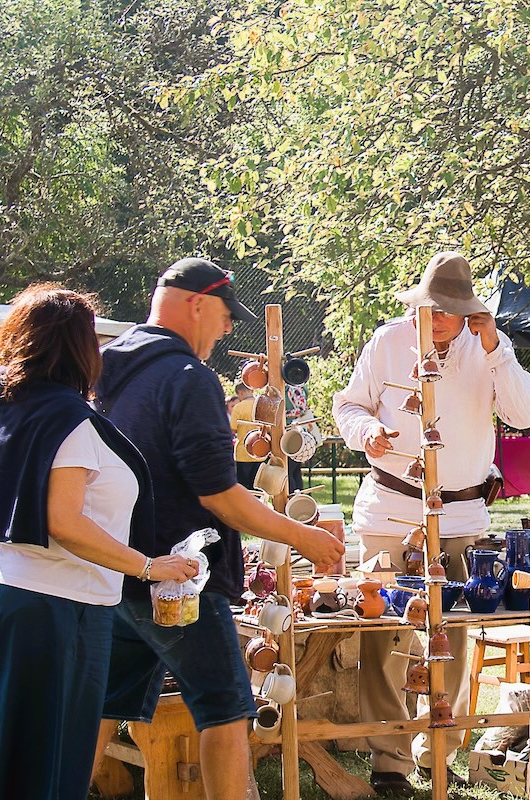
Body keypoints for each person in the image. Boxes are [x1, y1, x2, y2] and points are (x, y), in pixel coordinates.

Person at [90, 258, 344, 800]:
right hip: (178, 579)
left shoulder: (113, 366)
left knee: (100, 706)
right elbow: (219, 496)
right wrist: (303, 536)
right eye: (226, 314)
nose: (228, 329)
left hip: (118, 567)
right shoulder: (188, 377)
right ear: (196, 304)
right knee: (226, 709)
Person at [0, 285, 199, 800]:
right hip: (55, 610)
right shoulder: (67, 418)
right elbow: (64, 521)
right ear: (78, 346)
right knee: (48, 760)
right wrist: (148, 566)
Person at [333, 251, 530, 795]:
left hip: (461, 513)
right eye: (435, 307)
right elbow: (348, 406)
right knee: (385, 634)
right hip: (391, 507)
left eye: (454, 309)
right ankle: (390, 759)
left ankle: (438, 749)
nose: (443, 318)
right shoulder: (388, 340)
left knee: (455, 635)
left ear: (469, 309)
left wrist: (496, 349)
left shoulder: (488, 346)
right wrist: (366, 432)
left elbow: (525, 415)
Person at [229, 381, 262, 490]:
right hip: (261, 450)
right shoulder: (261, 404)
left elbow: (233, 429)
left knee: (244, 487)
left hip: (243, 452)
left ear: (240, 392)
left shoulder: (238, 408)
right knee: (258, 487)